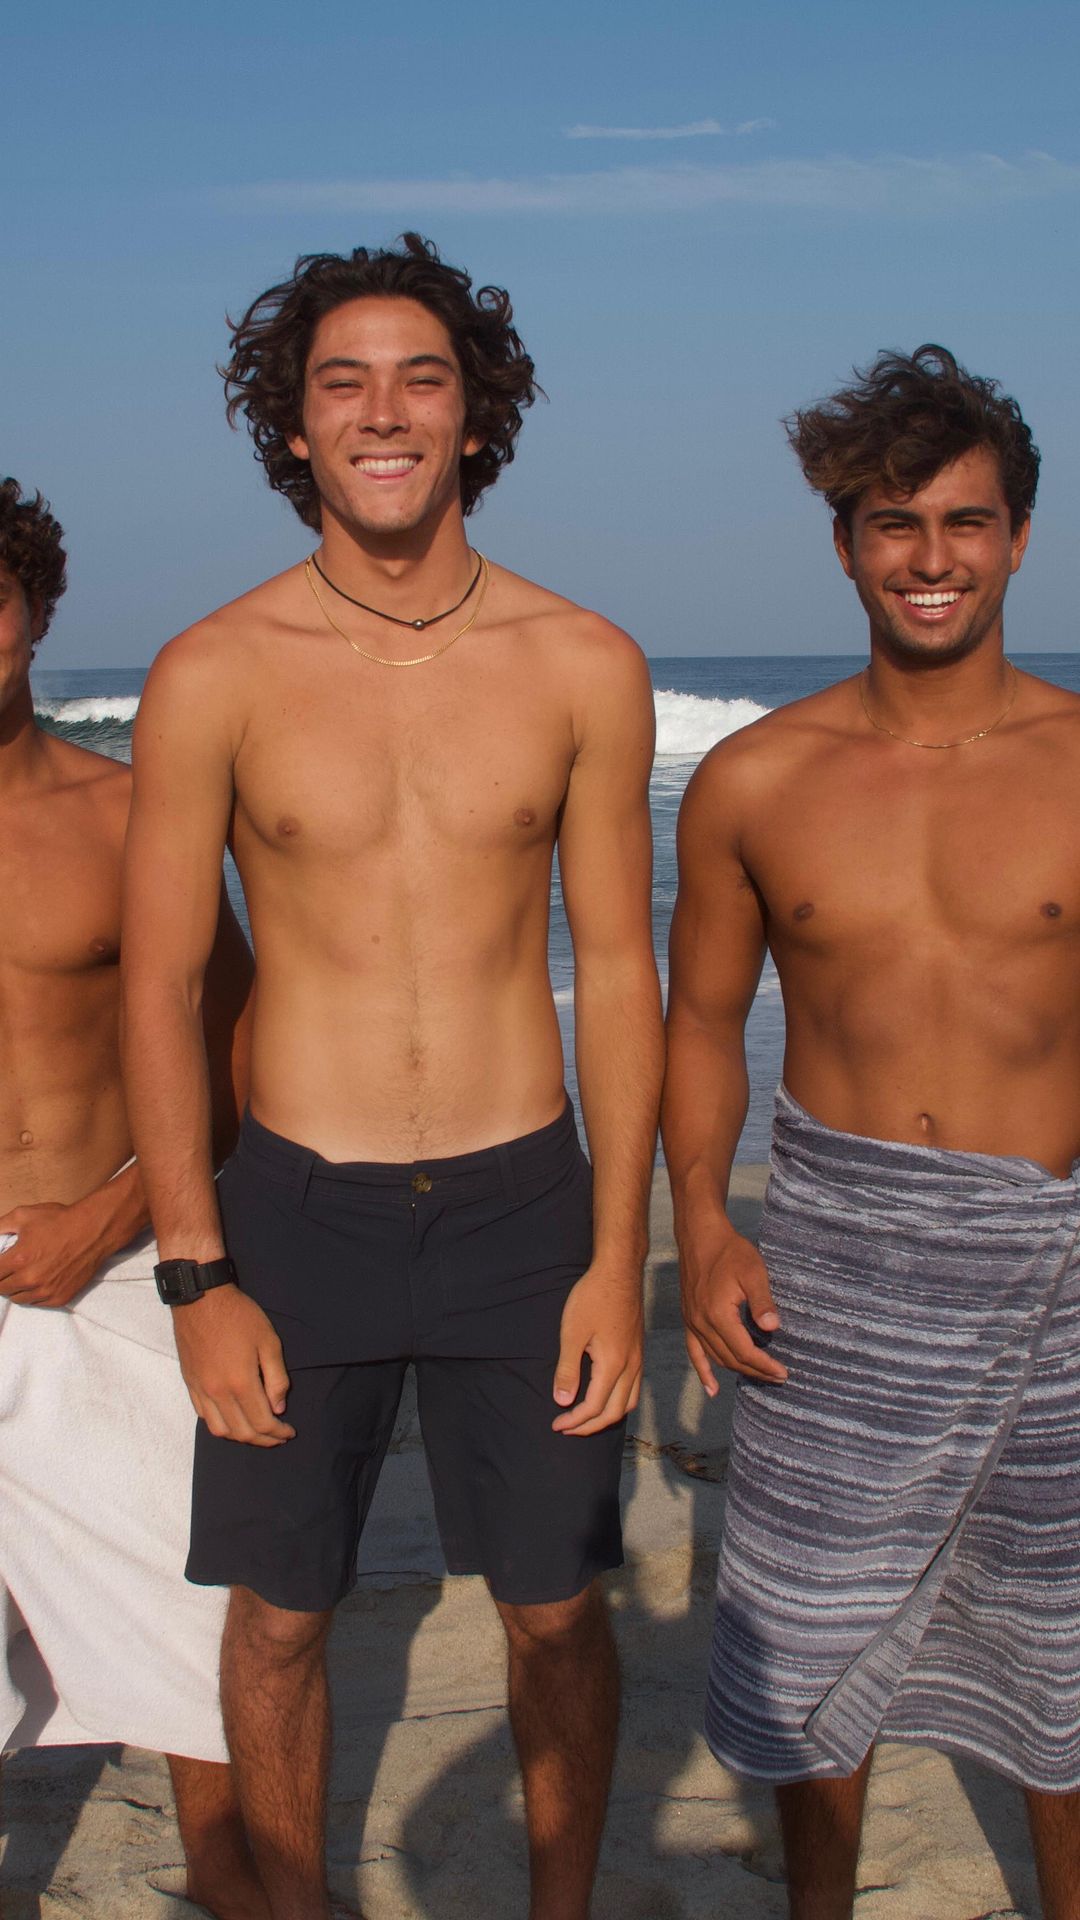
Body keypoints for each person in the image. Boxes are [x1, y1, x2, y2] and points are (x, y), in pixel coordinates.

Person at [122, 234, 662, 1920]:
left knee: (557, 1611)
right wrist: (196, 1272)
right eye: (341, 382)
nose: (382, 412)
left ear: (474, 417)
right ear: (292, 428)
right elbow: (159, 988)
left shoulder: (584, 661)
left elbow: (620, 973)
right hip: (297, 1209)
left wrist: (617, 1257)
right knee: (281, 1617)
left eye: (422, 378)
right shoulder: (212, 670)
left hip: (524, 1202)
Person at [663, 345, 1080, 1920]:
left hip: (1047, 1267)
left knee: (1059, 1646)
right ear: (845, 545)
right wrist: (706, 1229)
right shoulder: (756, 780)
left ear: (1020, 538)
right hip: (831, 1268)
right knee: (805, 1637)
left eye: (965, 522)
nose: (930, 557)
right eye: (894, 524)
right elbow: (702, 1025)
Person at [0, 479, 266, 1919]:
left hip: (106, 1260)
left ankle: (224, 1868)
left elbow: (235, 1056)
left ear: (37, 610)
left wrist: (110, 1218)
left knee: (189, 1587)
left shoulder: (126, 818)